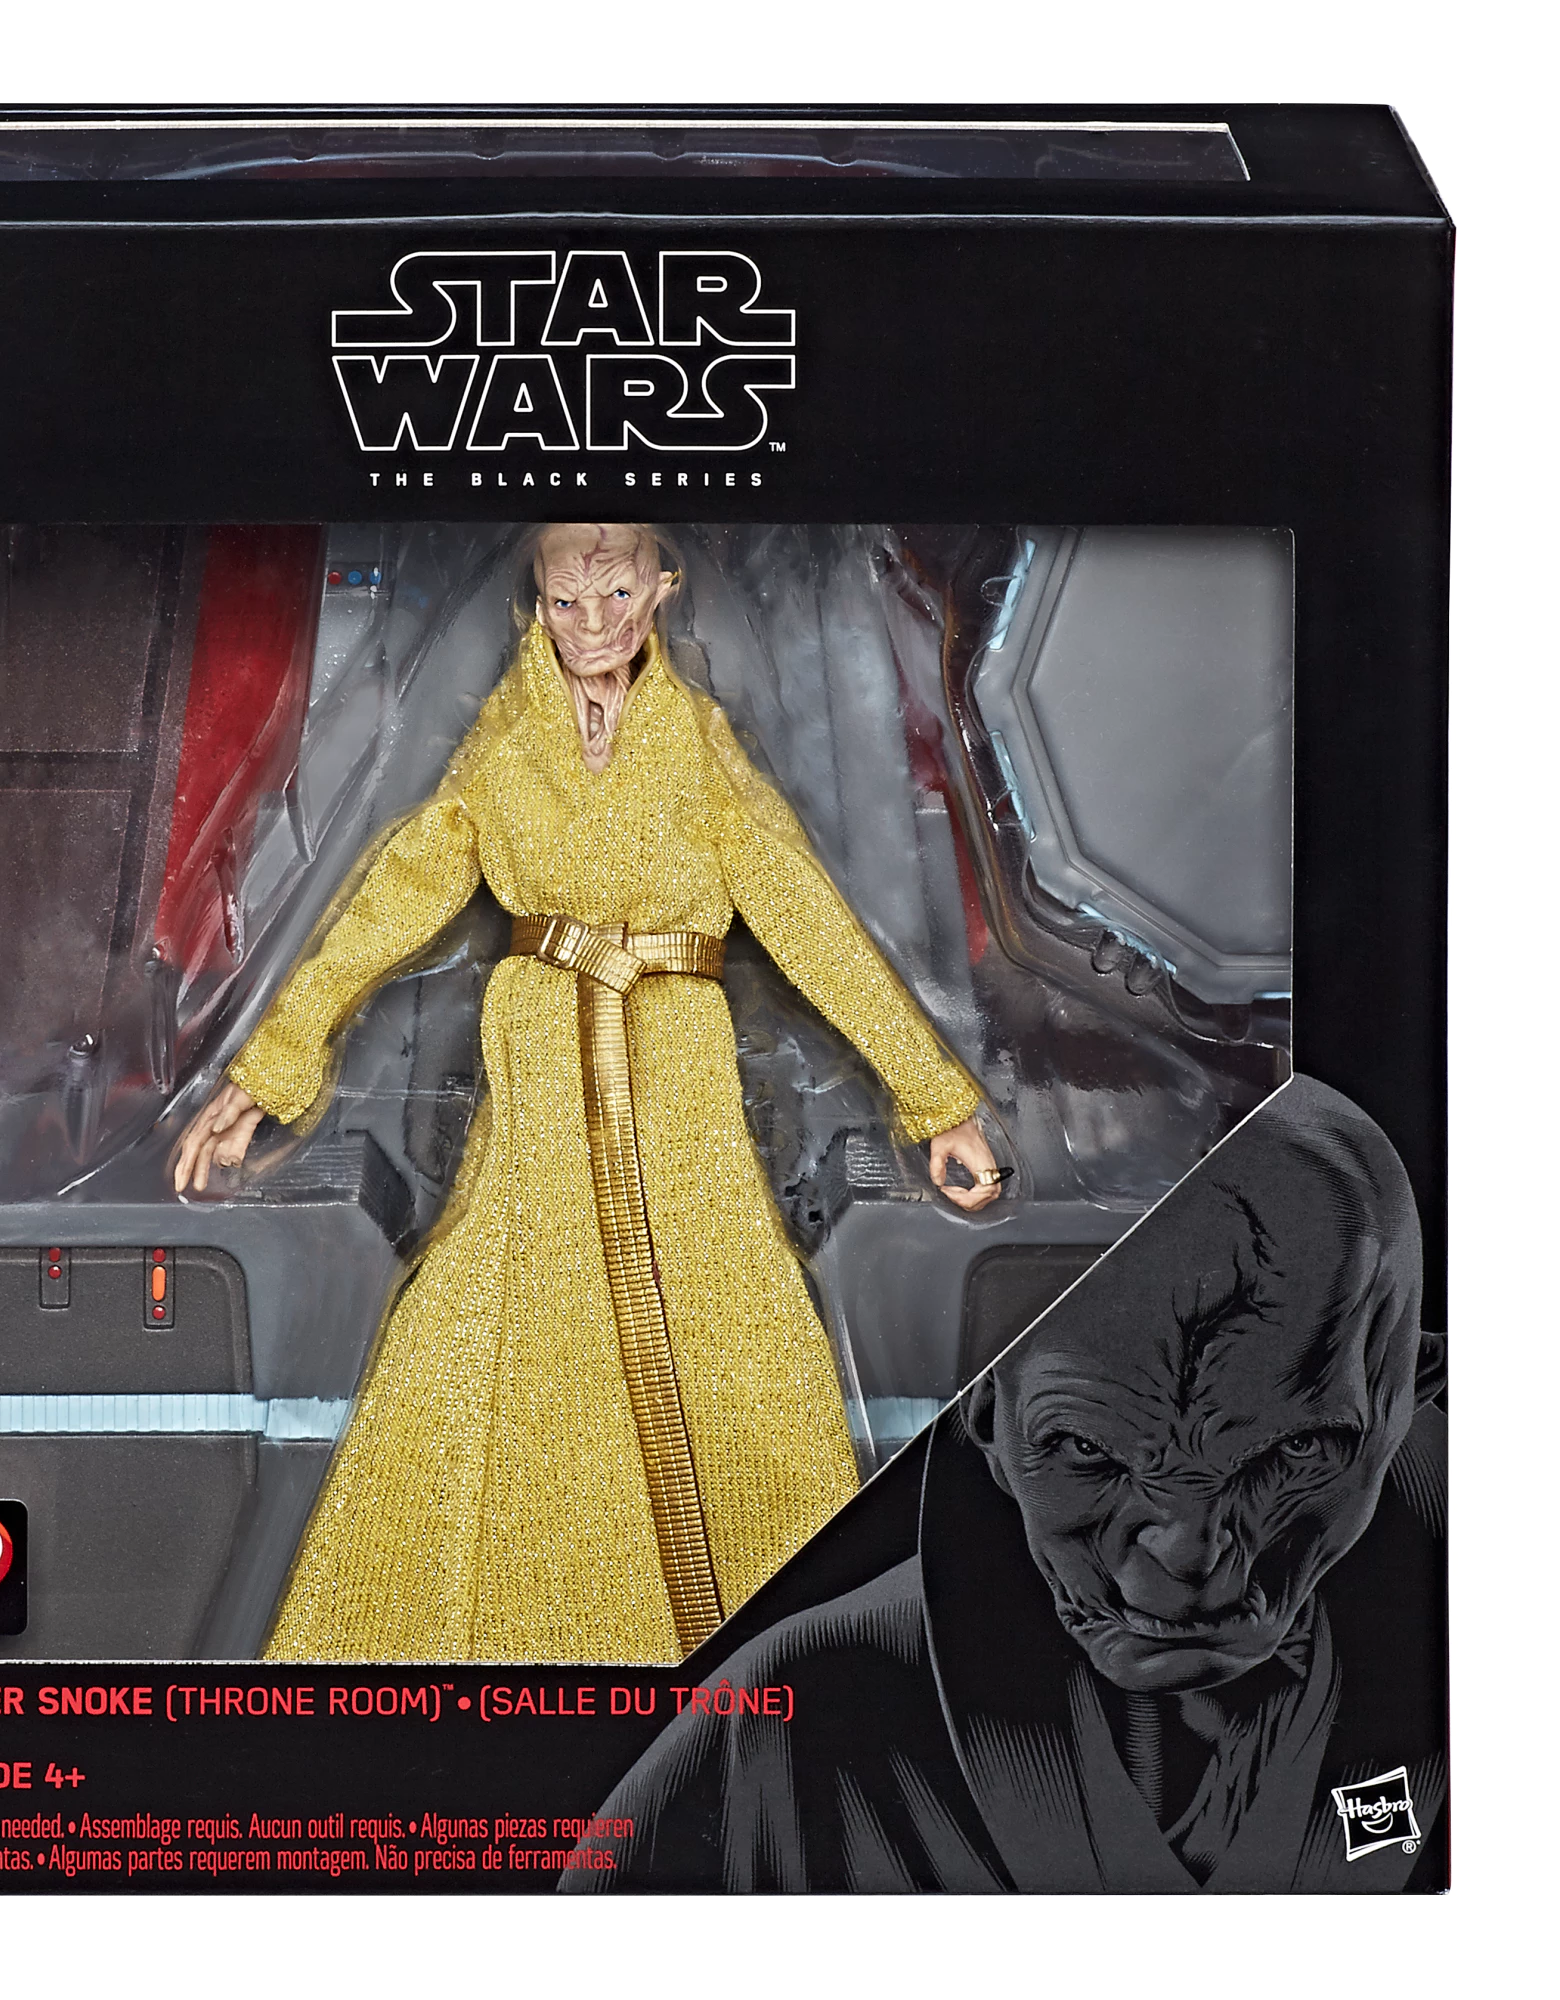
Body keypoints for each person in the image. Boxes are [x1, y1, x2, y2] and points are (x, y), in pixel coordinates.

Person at [174, 523, 1001, 1664]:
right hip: (540, 1058)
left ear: (663, 587)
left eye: (617, 592)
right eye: (568, 599)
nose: (594, 622)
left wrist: (934, 1098)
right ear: (536, 600)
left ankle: (791, 1659)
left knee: (728, 1316)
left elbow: (801, 909)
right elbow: (394, 894)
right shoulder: (504, 740)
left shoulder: (698, 742)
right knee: (480, 1324)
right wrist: (268, 1066)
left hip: (676, 1061)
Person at [565, 1075, 1445, 1889]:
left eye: (1293, 1454)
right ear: (982, 1408)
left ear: (1414, 1392)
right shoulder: (780, 1737)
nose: (1182, 1561)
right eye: (1088, 1452)